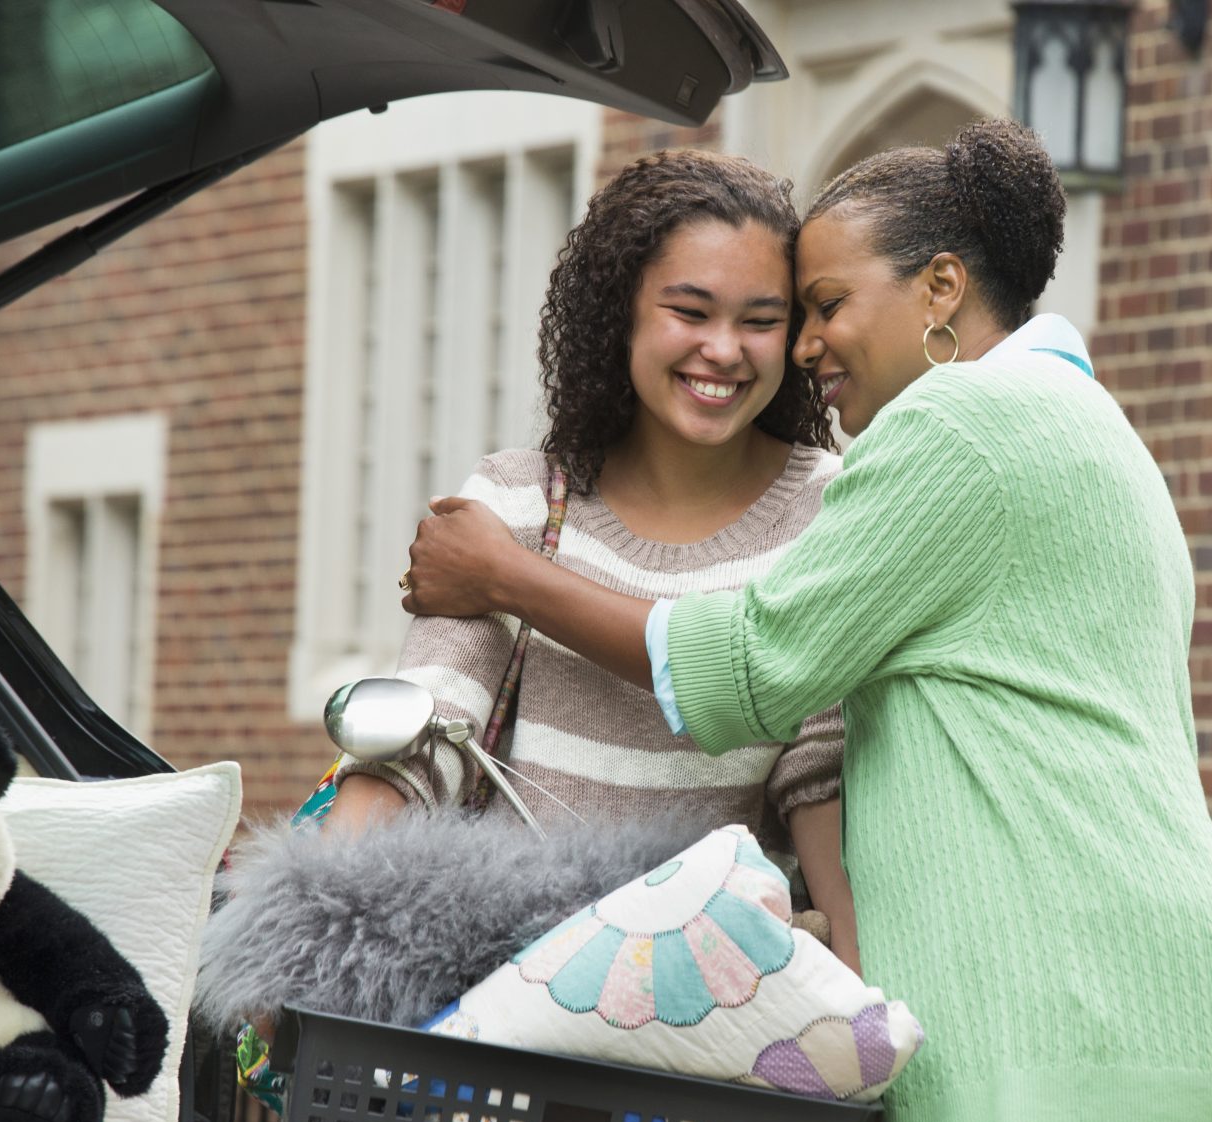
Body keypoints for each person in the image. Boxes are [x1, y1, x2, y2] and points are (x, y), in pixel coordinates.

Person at [399, 119, 1212, 1122]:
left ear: (942, 288)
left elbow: (752, 669)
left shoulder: (962, 425)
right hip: (1078, 1020)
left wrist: (506, 575)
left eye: (820, 303)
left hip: (1076, 1014)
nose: (806, 345)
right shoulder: (1065, 420)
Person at [330, 149, 858, 966]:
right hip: (509, 988)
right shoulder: (515, 500)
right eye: (690, 311)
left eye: (761, 321)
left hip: (710, 1004)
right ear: (622, 313)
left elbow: (818, 776)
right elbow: (424, 737)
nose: (725, 350)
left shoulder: (831, 507)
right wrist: (319, 923)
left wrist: (857, 1004)